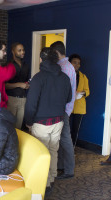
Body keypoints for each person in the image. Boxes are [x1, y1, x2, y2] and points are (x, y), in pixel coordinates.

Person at [24, 47, 72, 194]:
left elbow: (31, 104)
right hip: (59, 120)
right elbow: (69, 98)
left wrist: (28, 121)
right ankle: (51, 180)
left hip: (41, 123)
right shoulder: (64, 77)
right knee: (53, 151)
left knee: (42, 154)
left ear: (41, 60)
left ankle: (43, 184)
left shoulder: (38, 78)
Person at [50, 41, 76, 179]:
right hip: (66, 108)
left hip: (62, 109)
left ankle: (69, 170)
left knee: (65, 139)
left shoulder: (62, 67)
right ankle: (61, 166)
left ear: (55, 53)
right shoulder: (69, 65)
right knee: (61, 138)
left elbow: (62, 91)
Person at [6, 42, 30, 129]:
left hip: (23, 99)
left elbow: (26, 81)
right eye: (19, 50)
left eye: (23, 50)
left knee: (19, 127)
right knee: (9, 126)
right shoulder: (8, 65)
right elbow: (4, 85)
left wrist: (27, 85)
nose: (22, 52)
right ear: (13, 52)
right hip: (11, 99)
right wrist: (19, 85)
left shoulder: (26, 66)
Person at [69, 54, 90, 146]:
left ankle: (72, 148)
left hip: (79, 107)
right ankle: (65, 149)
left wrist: (82, 94)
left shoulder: (84, 77)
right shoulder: (66, 75)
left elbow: (87, 91)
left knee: (75, 130)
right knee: (66, 129)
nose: (77, 65)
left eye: (78, 63)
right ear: (70, 63)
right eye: (74, 62)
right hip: (68, 106)